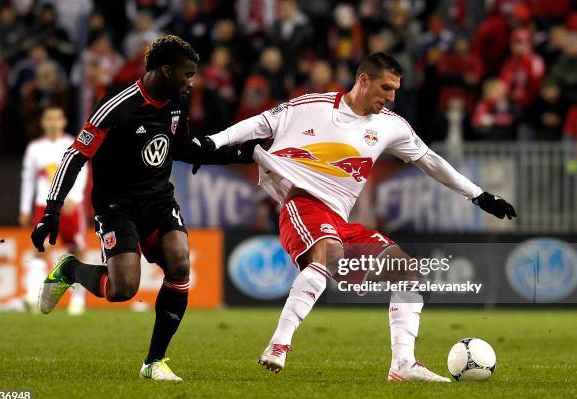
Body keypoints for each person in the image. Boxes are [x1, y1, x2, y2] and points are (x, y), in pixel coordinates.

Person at [199, 53, 516, 382]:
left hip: (339, 219)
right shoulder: (315, 105)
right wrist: (212, 141)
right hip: (304, 202)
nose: (391, 97)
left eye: (395, 90)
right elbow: (259, 123)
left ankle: (403, 365)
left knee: (408, 272)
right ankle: (279, 344)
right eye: (386, 88)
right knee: (324, 255)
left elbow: (431, 161)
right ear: (363, 80)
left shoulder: (391, 126)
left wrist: (478, 195)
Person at [30, 35, 258, 382]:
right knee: (122, 290)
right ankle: (71, 269)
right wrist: (52, 210)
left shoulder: (176, 103)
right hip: (116, 206)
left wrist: (240, 153)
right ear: (165, 70)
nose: (191, 81)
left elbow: (179, 148)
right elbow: (76, 154)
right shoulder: (117, 107)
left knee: (180, 264)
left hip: (159, 201)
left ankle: (154, 362)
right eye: (187, 73)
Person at [19, 106, 88, 315]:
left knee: (74, 249)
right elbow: (28, 179)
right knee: (41, 247)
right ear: (43, 122)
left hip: (69, 205)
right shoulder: (34, 148)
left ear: (63, 121)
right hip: (44, 204)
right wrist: (24, 207)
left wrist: (73, 198)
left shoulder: (72, 144)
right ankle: (32, 296)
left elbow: (83, 171)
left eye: (56, 118)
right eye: (49, 118)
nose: (52, 122)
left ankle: (77, 299)